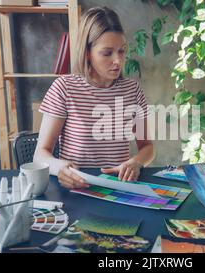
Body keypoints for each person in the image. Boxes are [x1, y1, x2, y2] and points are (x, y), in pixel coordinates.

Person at [34, 7, 154, 189]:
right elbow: (40, 154)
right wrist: (60, 168)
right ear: (87, 52)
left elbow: (147, 147)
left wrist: (136, 162)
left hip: (119, 187)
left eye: (121, 51)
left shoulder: (133, 90)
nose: (118, 61)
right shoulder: (64, 88)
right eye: (107, 53)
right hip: (77, 187)